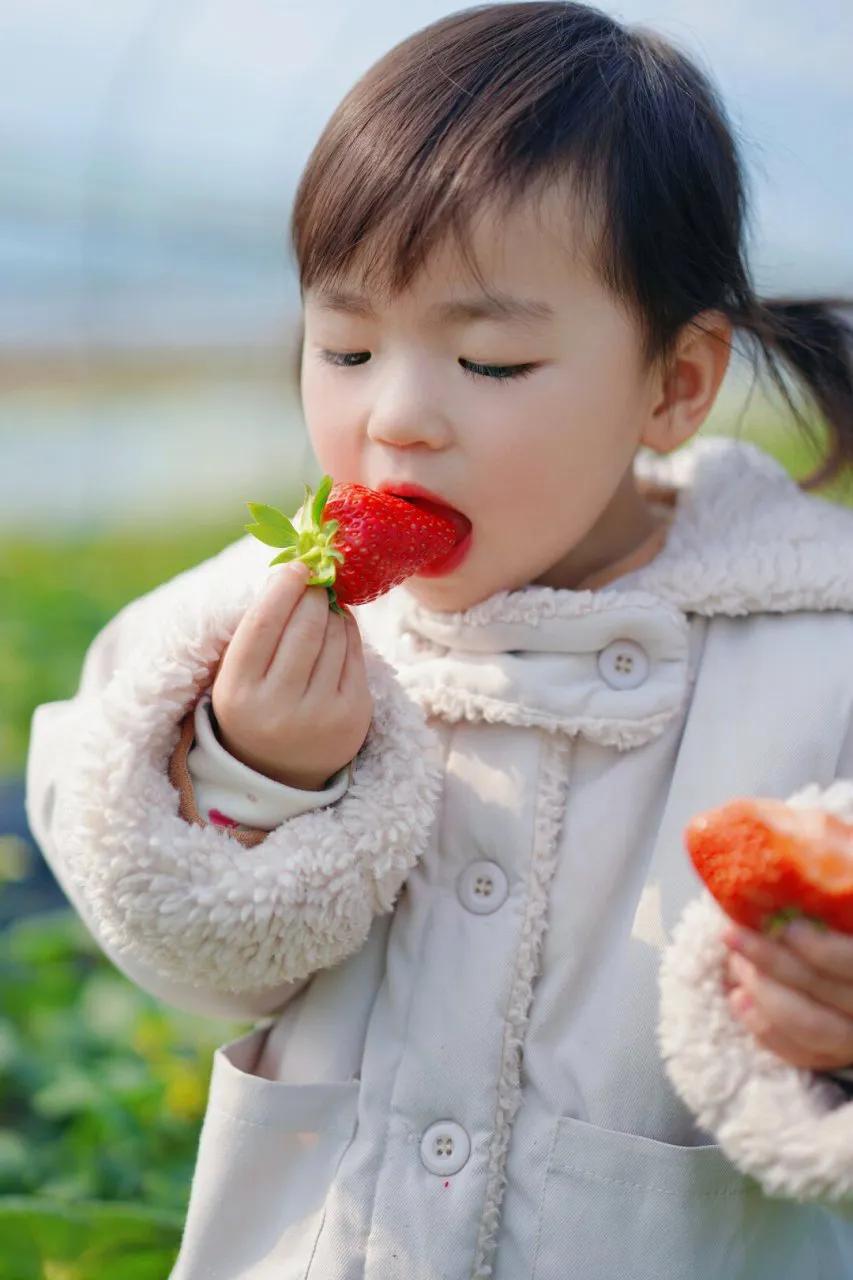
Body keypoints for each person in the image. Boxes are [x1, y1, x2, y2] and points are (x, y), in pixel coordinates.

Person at [24, 4, 853, 1277]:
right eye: (346, 346)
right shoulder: (234, 622)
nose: (397, 417)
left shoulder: (815, 666)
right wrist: (254, 774)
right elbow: (179, 955)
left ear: (674, 383)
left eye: (492, 359)